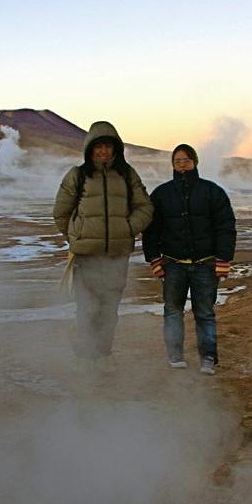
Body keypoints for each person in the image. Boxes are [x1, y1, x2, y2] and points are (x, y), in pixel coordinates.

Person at [53, 121, 153, 364]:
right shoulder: (77, 175)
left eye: (108, 146)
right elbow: (61, 213)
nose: (103, 151)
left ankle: (102, 354)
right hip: (86, 257)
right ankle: (87, 356)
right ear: (89, 149)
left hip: (117, 256)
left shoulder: (128, 175)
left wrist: (128, 228)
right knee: (87, 308)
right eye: (98, 147)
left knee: (109, 309)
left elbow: (145, 207)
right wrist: (77, 237)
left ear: (116, 148)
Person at [143, 144, 236, 375]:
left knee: (204, 312)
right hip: (173, 263)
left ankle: (207, 357)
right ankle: (175, 356)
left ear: (194, 162)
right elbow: (151, 230)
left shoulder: (212, 191)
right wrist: (154, 259)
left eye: (186, 160)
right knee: (172, 310)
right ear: (172, 165)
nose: (182, 164)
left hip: (206, 263)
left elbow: (226, 227)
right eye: (177, 161)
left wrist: (224, 259)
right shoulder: (162, 194)